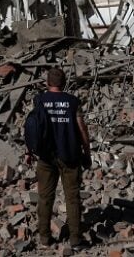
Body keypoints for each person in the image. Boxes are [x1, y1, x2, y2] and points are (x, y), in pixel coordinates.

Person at [28, 67, 91, 249]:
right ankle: (75, 240)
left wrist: (29, 151)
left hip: (46, 157)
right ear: (64, 83)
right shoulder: (72, 102)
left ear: (48, 83)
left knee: (45, 197)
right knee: (72, 198)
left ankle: (45, 239)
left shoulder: (39, 100)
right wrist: (87, 153)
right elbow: (82, 129)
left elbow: (33, 127)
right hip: (70, 156)